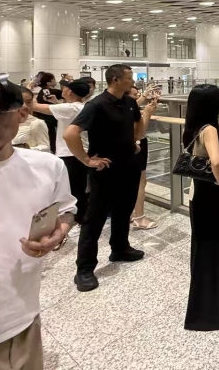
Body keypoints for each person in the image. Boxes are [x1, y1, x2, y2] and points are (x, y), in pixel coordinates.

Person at [0, 75, 75, 368]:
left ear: (22, 113)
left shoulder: (48, 167)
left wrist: (59, 232)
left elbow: (66, 209)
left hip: (25, 320)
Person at [65, 64, 145, 292]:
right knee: (95, 218)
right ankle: (84, 268)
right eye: (129, 77)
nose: (133, 81)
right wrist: (86, 159)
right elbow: (70, 134)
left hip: (128, 166)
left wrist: (132, 142)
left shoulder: (129, 102)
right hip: (105, 170)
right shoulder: (97, 105)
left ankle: (120, 248)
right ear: (115, 80)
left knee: (123, 210)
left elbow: (137, 127)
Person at [182, 84, 219, 331]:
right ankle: (211, 312)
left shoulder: (193, 127)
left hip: (198, 192)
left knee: (205, 246)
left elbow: (204, 155)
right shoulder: (210, 129)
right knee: (216, 245)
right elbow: (215, 161)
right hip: (211, 194)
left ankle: (212, 303)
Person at [31, 79, 92, 226]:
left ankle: (80, 219)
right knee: (79, 188)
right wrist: (55, 102)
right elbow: (65, 110)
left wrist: (30, 88)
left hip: (70, 154)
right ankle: (81, 219)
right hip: (78, 152)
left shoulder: (70, 108)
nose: (62, 89)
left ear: (69, 91)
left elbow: (34, 106)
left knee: (74, 190)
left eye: (64, 88)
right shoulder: (79, 107)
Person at [128, 86, 159, 230]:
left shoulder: (121, 108)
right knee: (139, 181)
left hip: (129, 145)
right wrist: (147, 113)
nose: (138, 98)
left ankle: (129, 213)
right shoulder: (128, 109)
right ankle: (139, 218)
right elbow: (139, 133)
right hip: (136, 145)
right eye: (135, 95)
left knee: (134, 181)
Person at [33, 72, 62, 153]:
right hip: (49, 119)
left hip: (40, 118)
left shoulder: (39, 90)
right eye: (54, 79)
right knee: (51, 138)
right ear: (49, 83)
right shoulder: (50, 91)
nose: (56, 81)